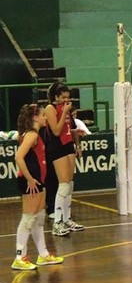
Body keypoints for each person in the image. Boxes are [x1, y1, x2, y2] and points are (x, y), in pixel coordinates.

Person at [11, 104, 64, 270]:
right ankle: (20, 257)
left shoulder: (36, 135)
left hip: (38, 181)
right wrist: (30, 179)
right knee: (28, 218)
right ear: (35, 118)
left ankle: (43, 255)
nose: (45, 118)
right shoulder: (32, 135)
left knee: (39, 217)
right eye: (43, 115)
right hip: (30, 182)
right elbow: (18, 157)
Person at [41, 82, 85, 236]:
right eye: (63, 97)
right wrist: (64, 111)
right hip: (56, 147)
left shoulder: (66, 109)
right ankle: (57, 223)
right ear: (56, 97)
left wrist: (76, 138)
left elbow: (68, 128)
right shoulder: (50, 108)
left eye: (68, 98)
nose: (66, 100)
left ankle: (67, 219)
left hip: (68, 146)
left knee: (70, 184)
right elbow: (56, 130)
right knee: (63, 184)